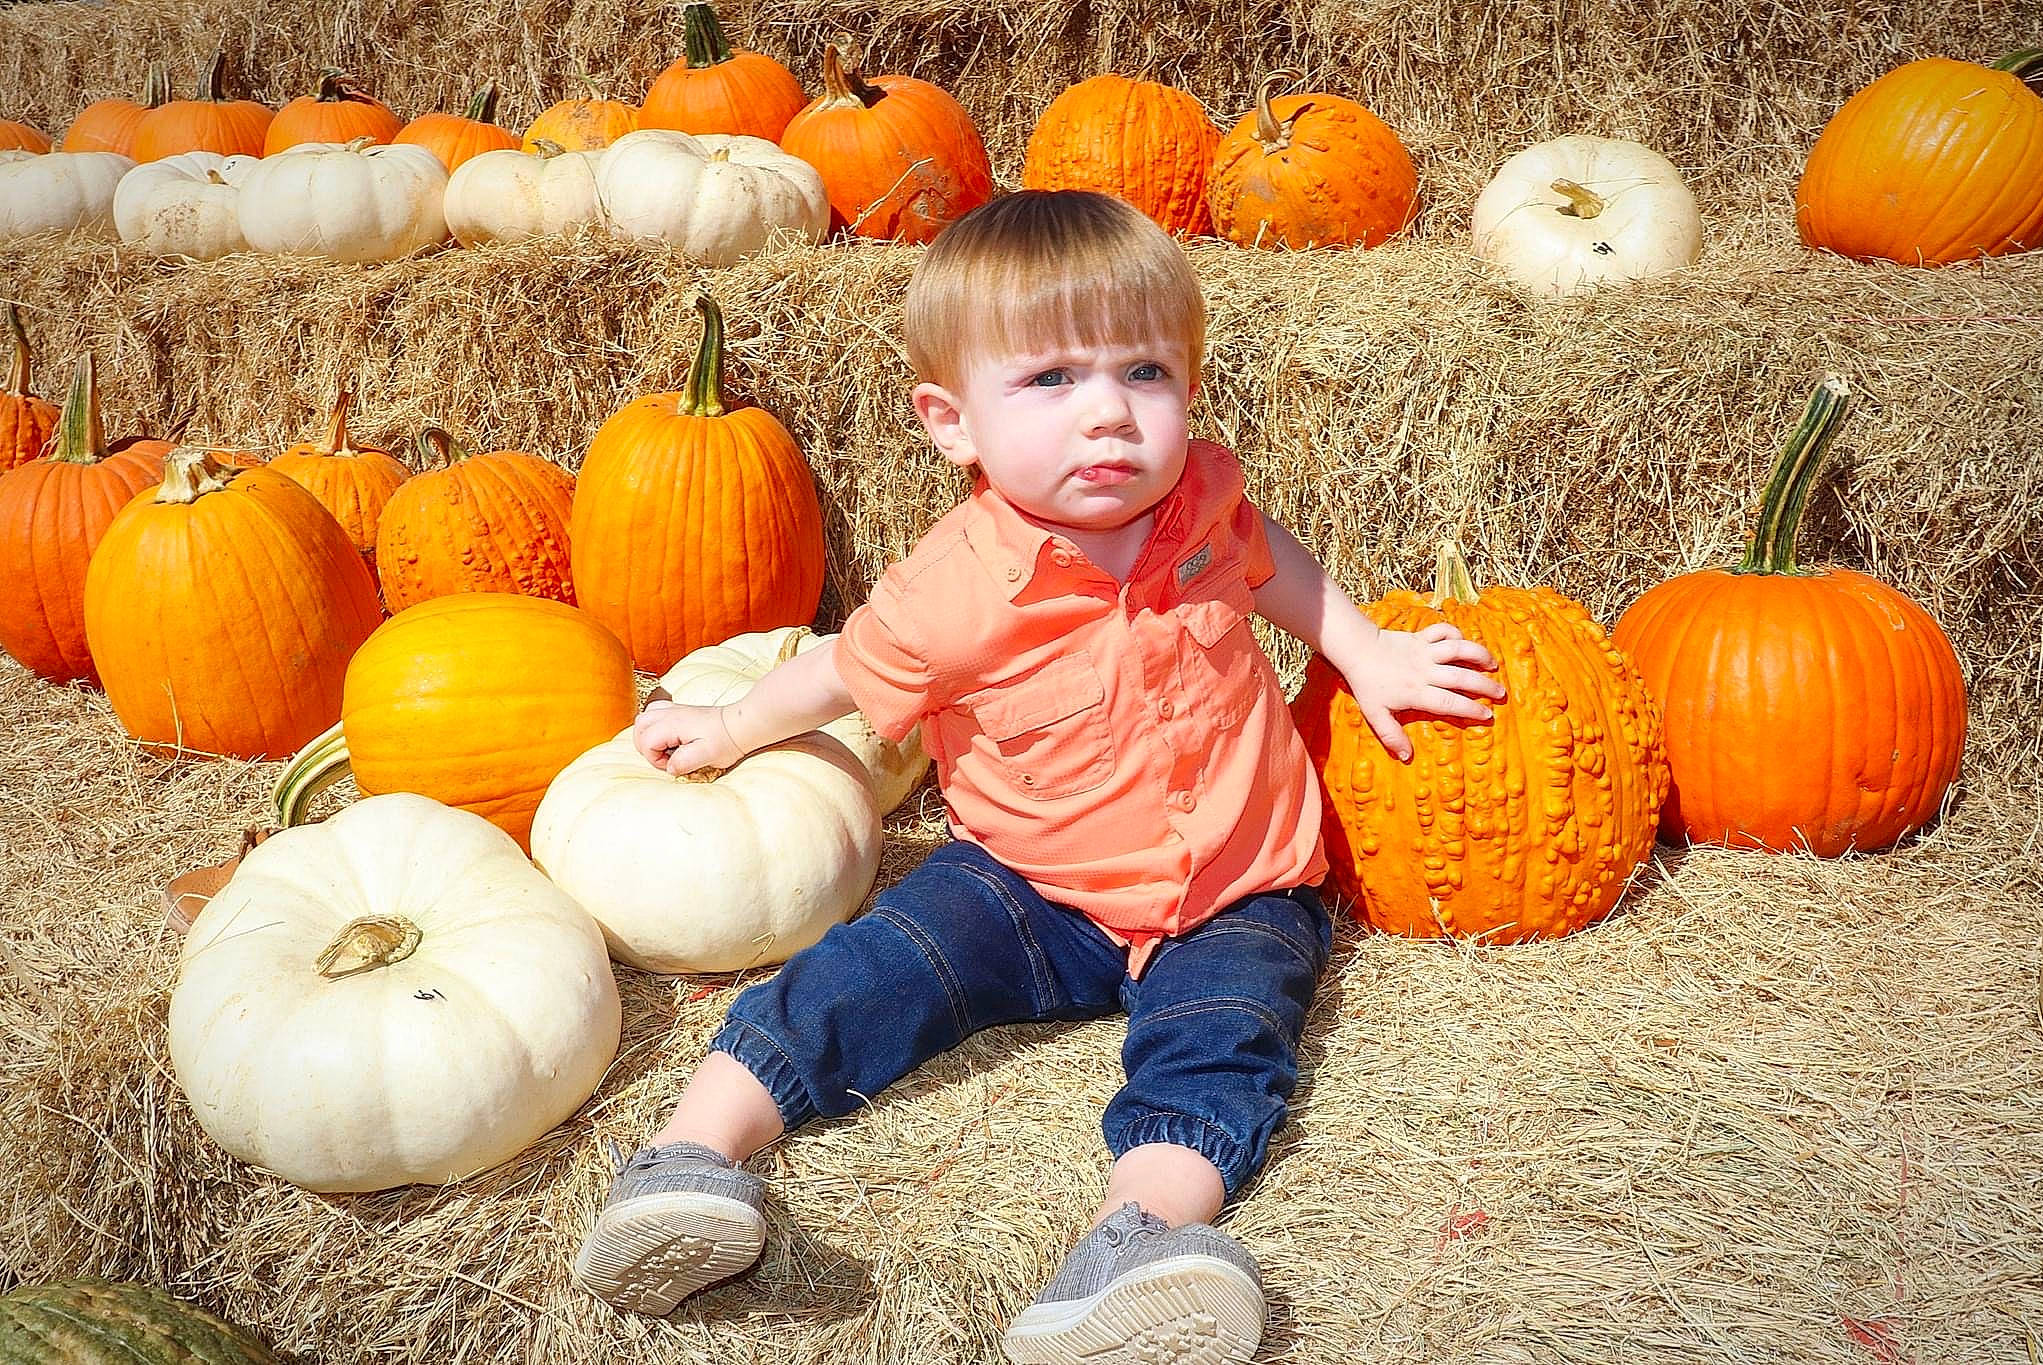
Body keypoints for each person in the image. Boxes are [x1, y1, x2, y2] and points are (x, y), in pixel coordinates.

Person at [571, 189, 1503, 1364]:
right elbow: (839, 674)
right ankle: (691, 1160)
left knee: (1226, 1045)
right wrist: (731, 727)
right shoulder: (950, 588)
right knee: (872, 970)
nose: (1108, 413)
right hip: (1028, 883)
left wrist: (1364, 652)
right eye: (1051, 380)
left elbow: (1274, 570)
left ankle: (1128, 1251)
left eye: (1145, 372)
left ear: (1188, 390)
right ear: (950, 422)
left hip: (1235, 882)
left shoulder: (1205, 499)